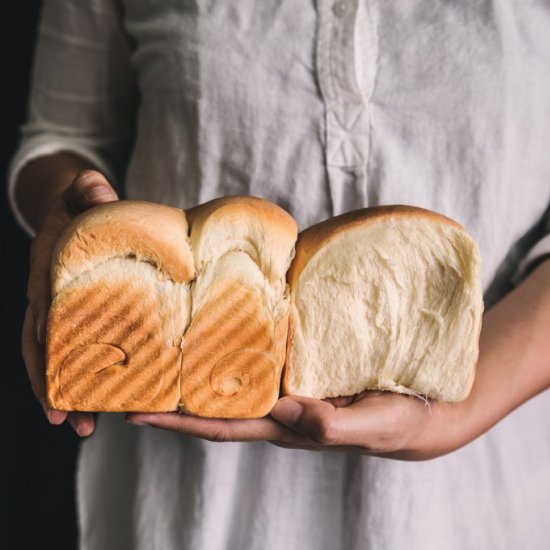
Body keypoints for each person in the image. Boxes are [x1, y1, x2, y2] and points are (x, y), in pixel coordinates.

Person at [9, 1, 550, 548]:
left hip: (474, 491)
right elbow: (58, 138)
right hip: (182, 495)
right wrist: (70, 211)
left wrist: (458, 413)